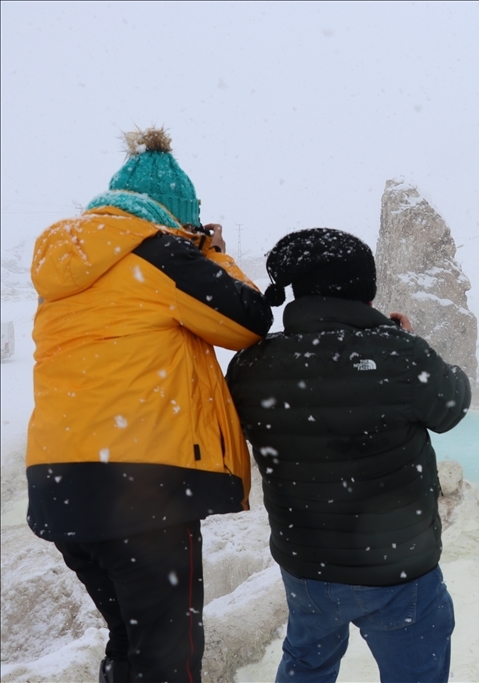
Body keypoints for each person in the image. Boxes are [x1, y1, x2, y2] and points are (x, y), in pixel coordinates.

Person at [26, 127, 273, 682]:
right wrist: (212, 253)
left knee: (131, 643)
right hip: (142, 489)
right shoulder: (158, 253)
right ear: (178, 215)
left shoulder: (60, 272)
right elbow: (248, 323)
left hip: (59, 487)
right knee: (169, 658)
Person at [225, 228, 471, 683]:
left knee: (307, 663)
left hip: (307, 566)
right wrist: (397, 340)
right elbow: (452, 403)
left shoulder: (251, 364)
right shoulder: (400, 354)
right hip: (398, 569)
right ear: (366, 289)